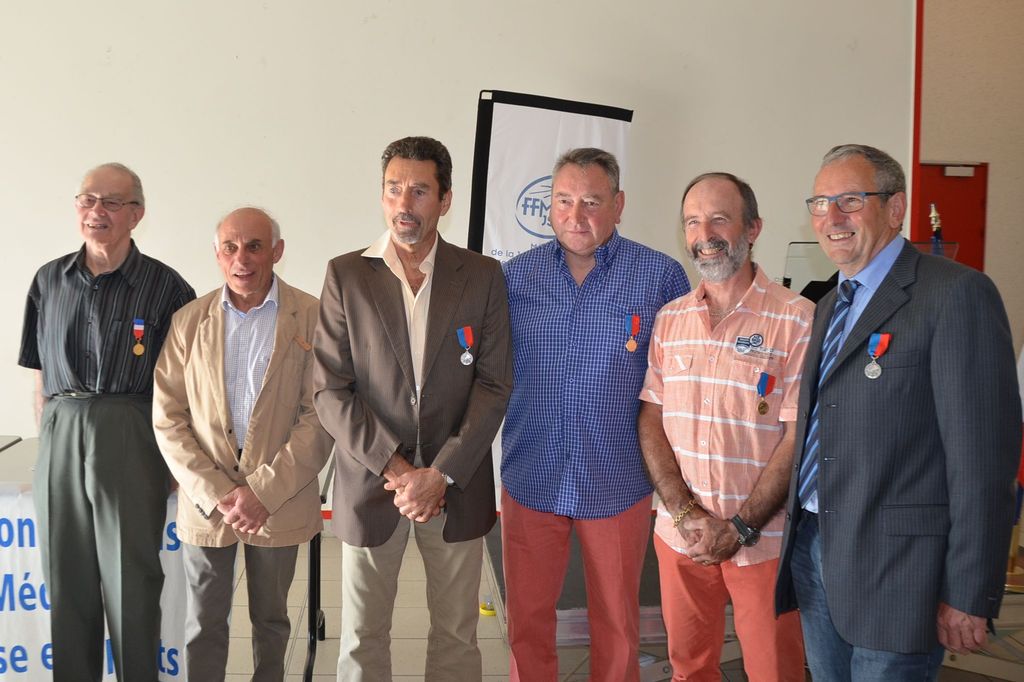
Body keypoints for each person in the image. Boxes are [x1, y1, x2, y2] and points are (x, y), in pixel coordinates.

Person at [775, 144, 1021, 680]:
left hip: (900, 571)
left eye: (850, 200)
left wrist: (969, 590)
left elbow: (982, 461)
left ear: (895, 208)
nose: (832, 217)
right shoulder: (828, 305)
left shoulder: (955, 294)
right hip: (815, 548)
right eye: (820, 203)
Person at [312, 136, 512, 681]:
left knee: (456, 636)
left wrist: (439, 473)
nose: (404, 204)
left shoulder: (482, 276)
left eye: (420, 191)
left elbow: (494, 385)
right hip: (372, 484)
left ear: (445, 200)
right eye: (394, 189)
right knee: (362, 638)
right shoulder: (347, 275)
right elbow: (330, 390)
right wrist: (400, 471)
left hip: (457, 486)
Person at [501, 147, 690, 681]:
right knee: (526, 622)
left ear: (618, 204)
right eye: (563, 200)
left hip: (617, 479)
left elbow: (679, 383)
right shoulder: (515, 278)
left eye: (591, 201)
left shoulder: (660, 277)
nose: (575, 215)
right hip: (532, 475)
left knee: (618, 624)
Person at [18, 163, 195, 680]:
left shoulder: (166, 286)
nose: (97, 211)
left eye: (112, 202)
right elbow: (40, 374)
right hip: (61, 427)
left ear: (136, 214)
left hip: (131, 430)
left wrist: (173, 463)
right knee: (65, 577)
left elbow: (187, 383)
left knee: (131, 580)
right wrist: (49, 443)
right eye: (87, 199)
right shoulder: (48, 280)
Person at [637, 173, 808, 681]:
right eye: (692, 222)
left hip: (765, 541)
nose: (704, 234)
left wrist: (740, 528)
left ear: (752, 228)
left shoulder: (797, 320)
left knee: (775, 672)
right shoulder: (670, 319)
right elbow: (651, 417)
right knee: (689, 670)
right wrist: (684, 511)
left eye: (718, 219)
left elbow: (798, 438)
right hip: (681, 537)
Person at [152, 207, 332, 681]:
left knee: (271, 621)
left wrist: (262, 492)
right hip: (207, 504)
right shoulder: (188, 322)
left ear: (277, 251)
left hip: (279, 499)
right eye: (230, 248)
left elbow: (320, 417)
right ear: (217, 254)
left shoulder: (313, 316)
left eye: (254, 246)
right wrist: (217, 493)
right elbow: (168, 418)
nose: (242, 259)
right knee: (204, 622)